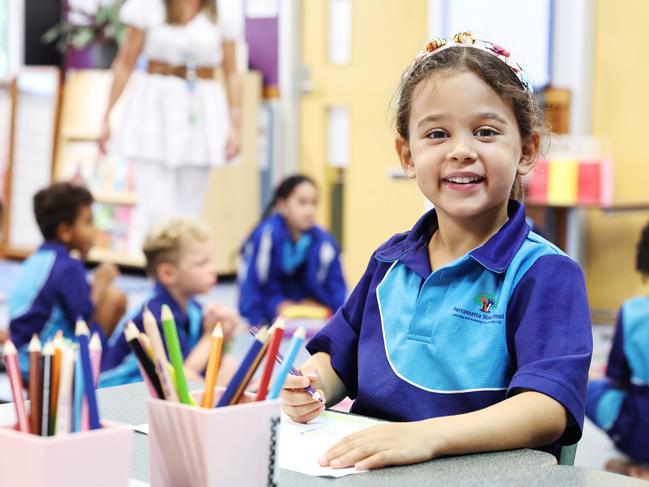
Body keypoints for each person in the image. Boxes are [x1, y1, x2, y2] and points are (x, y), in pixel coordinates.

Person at [280, 32, 593, 470]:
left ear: (526, 150)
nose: (461, 151)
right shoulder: (388, 263)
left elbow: (547, 408)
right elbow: (337, 361)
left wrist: (424, 437)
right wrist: (312, 386)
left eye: (485, 132)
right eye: (437, 134)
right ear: (407, 156)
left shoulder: (546, 273)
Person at [98, 0, 242, 253]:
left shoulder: (224, 9)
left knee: (190, 210)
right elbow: (124, 63)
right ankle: (161, 280)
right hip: (153, 106)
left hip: (202, 109)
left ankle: (183, 284)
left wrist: (235, 125)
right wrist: (106, 117)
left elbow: (232, 72)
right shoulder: (146, 6)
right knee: (155, 209)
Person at [100, 216, 238, 386]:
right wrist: (211, 336)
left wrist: (225, 333)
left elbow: (209, 358)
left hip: (161, 384)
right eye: (202, 263)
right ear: (168, 273)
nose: (212, 270)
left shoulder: (193, 307)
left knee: (229, 364)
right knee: (191, 380)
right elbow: (183, 377)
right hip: (122, 391)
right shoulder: (157, 315)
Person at [9, 182, 126, 375]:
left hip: (19, 354)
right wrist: (100, 284)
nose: (95, 230)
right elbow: (83, 317)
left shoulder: (37, 258)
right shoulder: (69, 266)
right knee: (115, 298)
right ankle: (95, 374)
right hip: (42, 362)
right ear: (65, 231)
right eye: (88, 222)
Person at [237, 175, 347, 326]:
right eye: (302, 203)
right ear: (282, 205)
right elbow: (252, 283)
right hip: (272, 307)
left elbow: (337, 287)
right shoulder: (266, 236)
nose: (310, 210)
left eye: (314, 203)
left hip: (309, 309)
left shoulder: (325, 242)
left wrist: (328, 310)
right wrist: (259, 319)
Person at [585, 222, 649, 479]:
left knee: (584, 386)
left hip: (639, 439)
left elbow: (618, 376)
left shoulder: (634, 311)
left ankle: (639, 465)